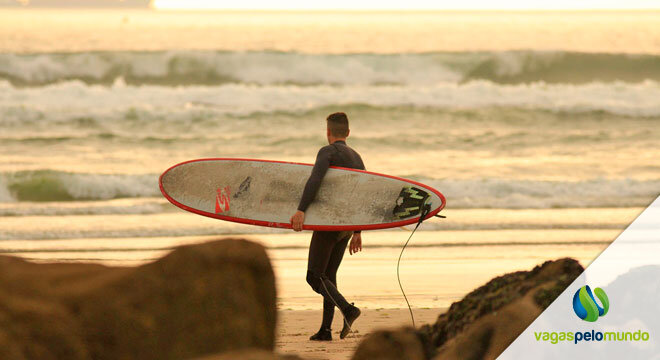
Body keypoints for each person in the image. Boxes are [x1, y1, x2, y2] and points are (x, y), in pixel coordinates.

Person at [289, 112, 364, 341]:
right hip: (347, 226)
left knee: (314, 276)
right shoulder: (357, 157)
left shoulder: (327, 152)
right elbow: (362, 193)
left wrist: (301, 209)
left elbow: (315, 179)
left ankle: (348, 310)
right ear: (348, 133)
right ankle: (325, 330)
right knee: (328, 276)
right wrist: (358, 231)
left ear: (328, 132)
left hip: (330, 223)